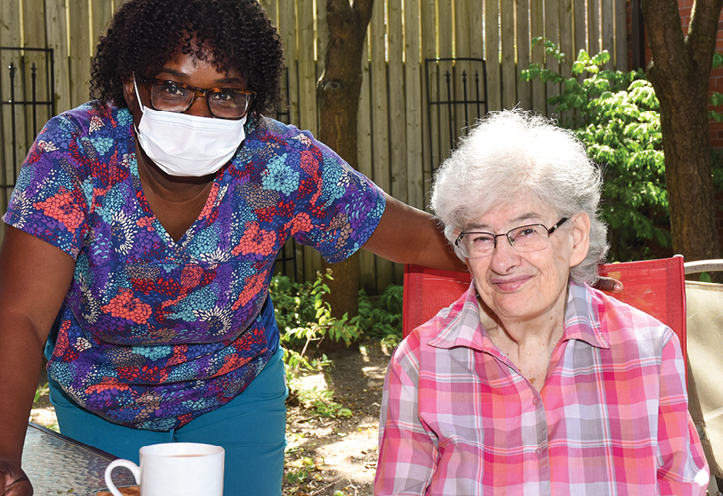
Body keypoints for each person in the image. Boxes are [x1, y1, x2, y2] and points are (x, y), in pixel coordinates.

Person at [0, 1, 468, 495]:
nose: (199, 114)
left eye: (226, 95)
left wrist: (523, 247)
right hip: (101, 395)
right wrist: (5, 459)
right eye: (174, 87)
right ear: (131, 85)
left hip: (234, 393)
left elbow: (419, 238)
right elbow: (22, 315)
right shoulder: (75, 152)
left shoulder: (281, 164)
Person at [374, 109, 709, 495]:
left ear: (577, 237)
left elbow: (681, 485)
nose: (501, 261)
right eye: (481, 237)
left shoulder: (649, 350)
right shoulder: (421, 363)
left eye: (527, 231)